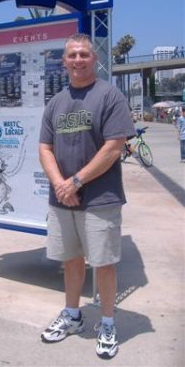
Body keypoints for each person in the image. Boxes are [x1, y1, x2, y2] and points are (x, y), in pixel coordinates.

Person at [39, 34, 135, 359]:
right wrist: (60, 185)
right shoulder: (55, 102)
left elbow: (113, 147)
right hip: (62, 199)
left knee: (104, 264)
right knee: (70, 261)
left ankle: (107, 322)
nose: (78, 59)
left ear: (94, 59)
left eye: (84, 54)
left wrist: (75, 182)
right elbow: (44, 148)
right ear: (64, 61)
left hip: (100, 199)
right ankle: (72, 315)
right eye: (72, 55)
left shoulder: (110, 96)